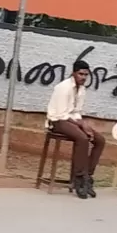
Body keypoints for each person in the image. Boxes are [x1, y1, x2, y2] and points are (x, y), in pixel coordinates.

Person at [46, 61, 104, 197]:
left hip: (71, 121)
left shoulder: (82, 89)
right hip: (57, 121)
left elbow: (76, 112)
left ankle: (87, 176)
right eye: (81, 74)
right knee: (82, 138)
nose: (83, 77)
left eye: (86, 75)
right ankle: (78, 179)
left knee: (99, 140)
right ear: (74, 73)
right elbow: (61, 114)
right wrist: (81, 125)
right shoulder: (63, 87)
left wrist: (84, 124)